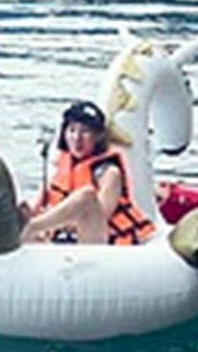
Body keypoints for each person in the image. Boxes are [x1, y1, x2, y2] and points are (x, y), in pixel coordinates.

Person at [23, 100, 155, 246]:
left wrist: (49, 225)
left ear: (98, 136)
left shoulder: (110, 173)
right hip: (56, 239)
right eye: (72, 130)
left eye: (85, 131)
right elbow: (34, 207)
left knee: (87, 197)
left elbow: (100, 216)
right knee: (19, 210)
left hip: (97, 242)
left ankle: (28, 229)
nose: (77, 138)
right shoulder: (60, 168)